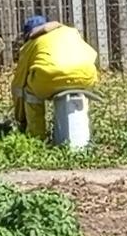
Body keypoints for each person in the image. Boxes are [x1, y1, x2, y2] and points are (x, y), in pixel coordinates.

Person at [10, 15, 99, 143]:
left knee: (30, 93)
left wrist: (20, 118)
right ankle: (84, 138)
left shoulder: (30, 43)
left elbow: (19, 84)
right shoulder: (70, 31)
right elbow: (92, 53)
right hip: (86, 75)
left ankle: (36, 139)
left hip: (50, 77)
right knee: (79, 95)